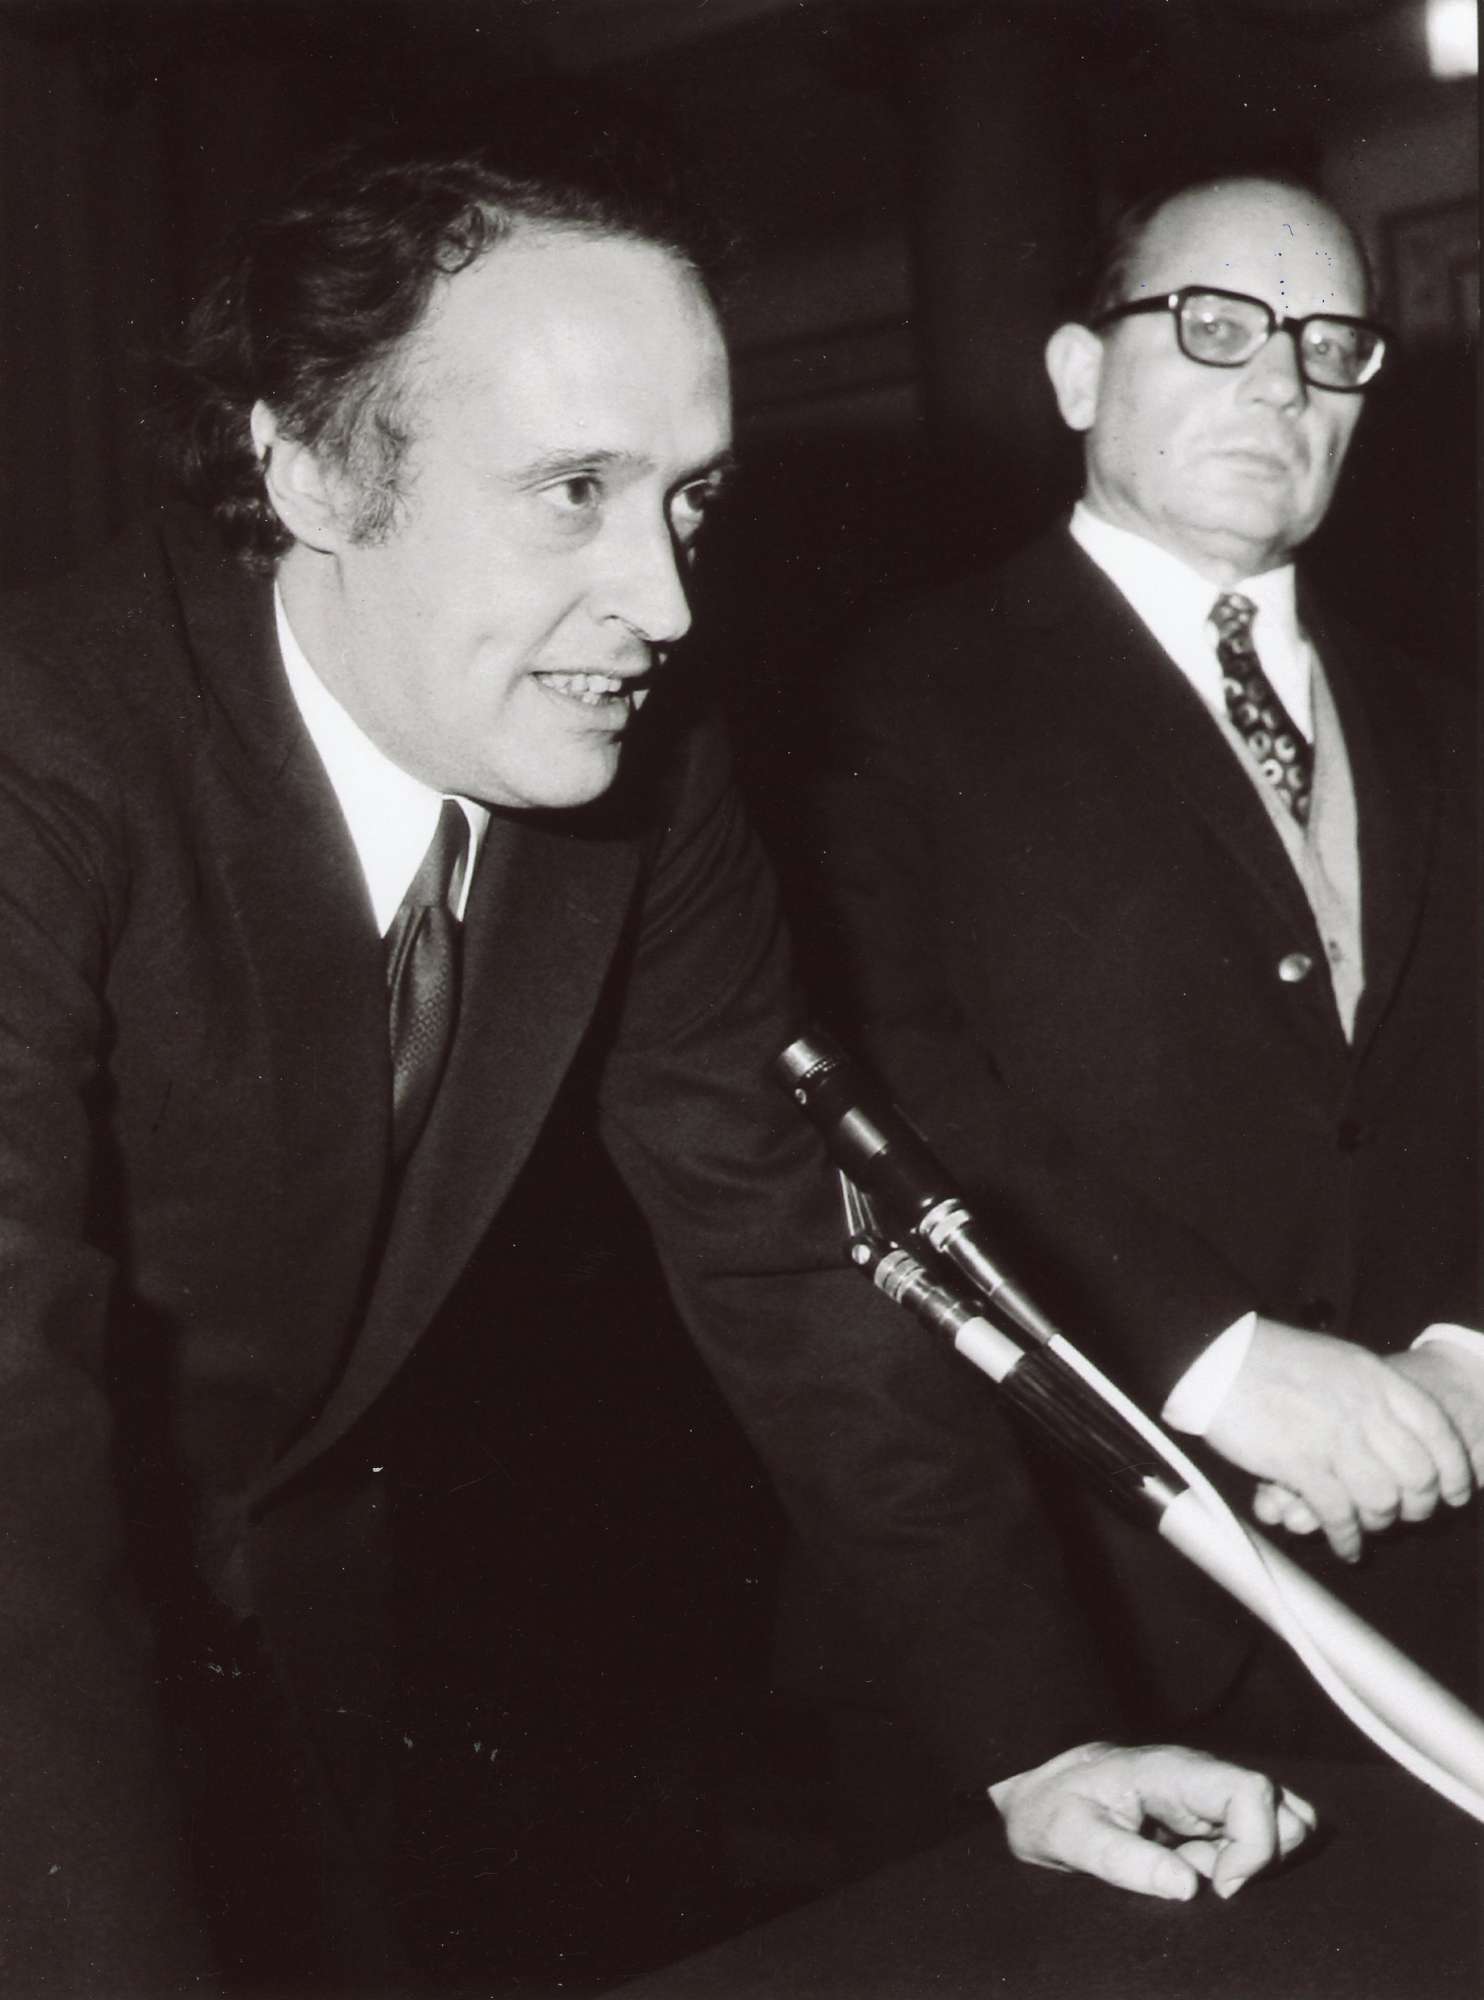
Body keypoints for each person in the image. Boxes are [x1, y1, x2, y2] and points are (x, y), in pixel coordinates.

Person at [0, 135, 1313, 1993]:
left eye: (690, 500)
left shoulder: (636, 774)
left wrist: (1040, 1743)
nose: (670, 601)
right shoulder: (39, 758)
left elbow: (790, 1258)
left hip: (283, 1637)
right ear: (309, 472)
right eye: (572, 493)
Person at [808, 174, 1481, 1759]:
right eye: (1218, 326)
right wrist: (1219, 1362)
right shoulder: (887, 691)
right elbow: (881, 1077)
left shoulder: (1453, 720)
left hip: (1446, 1578)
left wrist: (1465, 1361)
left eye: (1331, 346)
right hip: (1081, 1611)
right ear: (1075, 372)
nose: (1283, 382)